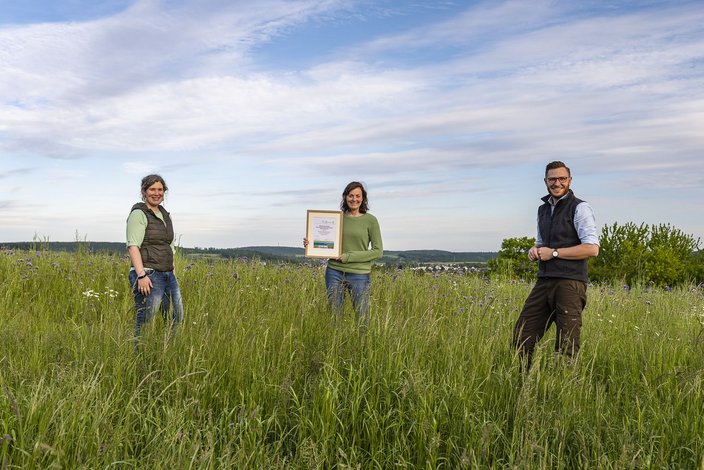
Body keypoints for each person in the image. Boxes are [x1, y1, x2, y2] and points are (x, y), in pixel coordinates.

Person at [513, 161, 599, 369]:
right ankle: (523, 382)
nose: (557, 183)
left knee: (567, 345)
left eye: (562, 178)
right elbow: (542, 243)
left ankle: (564, 385)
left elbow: (591, 248)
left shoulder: (580, 208)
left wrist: (554, 253)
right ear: (545, 181)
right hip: (544, 281)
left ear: (570, 180)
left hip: (570, 282)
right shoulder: (543, 210)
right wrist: (535, 250)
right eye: (552, 179)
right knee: (522, 336)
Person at [305, 181, 383, 329]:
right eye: (351, 195)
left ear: (363, 198)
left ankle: (362, 343)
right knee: (334, 317)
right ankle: (336, 343)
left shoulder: (370, 220)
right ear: (345, 197)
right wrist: (311, 243)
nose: (354, 199)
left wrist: (348, 257)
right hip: (334, 272)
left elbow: (378, 251)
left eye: (358, 196)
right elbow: (326, 241)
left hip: (359, 274)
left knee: (362, 317)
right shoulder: (336, 219)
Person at [126, 174, 184, 339]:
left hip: (167, 274)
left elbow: (169, 246)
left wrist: (172, 272)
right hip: (148, 274)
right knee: (146, 320)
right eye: (152, 189)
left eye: (160, 189)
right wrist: (141, 276)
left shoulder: (166, 215)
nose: (156, 193)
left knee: (176, 315)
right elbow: (133, 246)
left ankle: (170, 349)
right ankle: (140, 353)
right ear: (144, 191)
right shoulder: (139, 214)